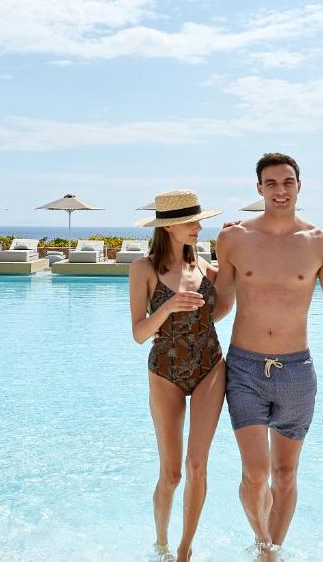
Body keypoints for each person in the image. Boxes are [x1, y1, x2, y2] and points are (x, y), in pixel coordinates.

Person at [214, 152, 323, 559]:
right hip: (244, 367)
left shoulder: (322, 243)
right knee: (256, 475)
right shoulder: (233, 238)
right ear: (259, 189)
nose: (280, 190)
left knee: (285, 475)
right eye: (271, 183)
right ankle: (263, 543)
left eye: (287, 182)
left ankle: (272, 549)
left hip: (296, 371)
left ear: (299, 186)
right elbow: (221, 303)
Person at [129, 190, 229, 562]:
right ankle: (162, 543)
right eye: (192, 222)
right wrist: (168, 307)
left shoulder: (206, 267)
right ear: (169, 227)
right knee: (171, 474)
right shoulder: (143, 270)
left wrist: (235, 243)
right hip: (165, 372)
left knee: (196, 465)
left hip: (210, 367)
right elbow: (139, 333)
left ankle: (185, 549)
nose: (199, 228)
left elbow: (219, 310)